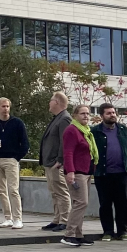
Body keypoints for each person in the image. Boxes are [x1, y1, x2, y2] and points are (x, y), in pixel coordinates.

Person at [0, 97, 29, 229]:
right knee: (1, 190)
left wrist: (17, 157)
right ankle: (7, 218)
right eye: (3, 106)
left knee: (13, 189)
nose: (5, 109)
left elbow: (25, 143)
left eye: (7, 106)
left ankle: (18, 218)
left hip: (11, 159)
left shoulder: (17, 123)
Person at [92, 103, 127, 241]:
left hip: (121, 173)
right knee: (105, 204)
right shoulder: (95, 131)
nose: (112, 115)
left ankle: (122, 231)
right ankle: (108, 231)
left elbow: (126, 146)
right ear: (102, 116)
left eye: (113, 113)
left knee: (122, 203)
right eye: (108, 113)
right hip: (103, 174)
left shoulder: (122, 129)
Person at [61, 105, 97, 247]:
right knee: (82, 202)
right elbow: (68, 152)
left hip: (87, 171)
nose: (86, 116)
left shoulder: (86, 131)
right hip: (77, 172)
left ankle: (78, 234)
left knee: (80, 204)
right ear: (75, 115)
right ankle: (69, 234)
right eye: (82, 113)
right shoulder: (71, 130)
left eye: (88, 114)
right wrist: (70, 172)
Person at [39, 92, 72, 232]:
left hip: (56, 163)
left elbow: (65, 141)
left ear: (57, 102)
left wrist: (60, 160)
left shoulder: (64, 119)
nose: (49, 103)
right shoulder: (57, 118)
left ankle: (65, 220)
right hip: (50, 162)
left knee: (61, 191)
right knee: (54, 192)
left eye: (51, 100)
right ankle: (57, 219)